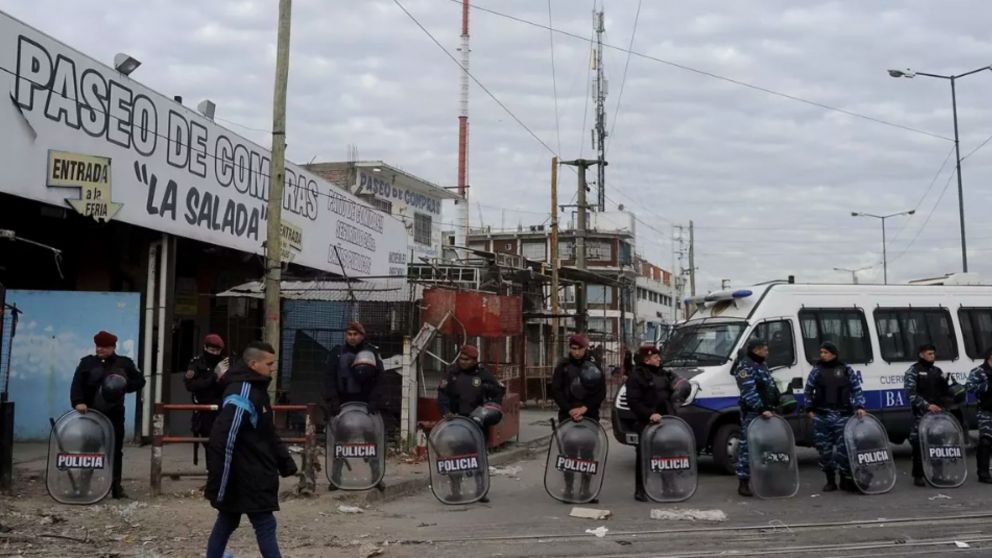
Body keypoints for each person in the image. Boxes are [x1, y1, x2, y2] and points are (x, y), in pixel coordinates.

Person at [204, 341, 298, 558]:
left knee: (227, 521)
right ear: (254, 364)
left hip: (249, 473)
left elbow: (266, 431)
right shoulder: (243, 393)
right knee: (264, 525)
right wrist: (218, 483)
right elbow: (224, 439)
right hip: (248, 476)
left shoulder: (256, 389)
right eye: (269, 364)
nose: (272, 368)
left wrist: (285, 461)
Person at [70, 330, 145, 499]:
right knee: (89, 450)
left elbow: (140, 381)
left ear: (113, 347)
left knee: (115, 450)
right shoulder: (87, 363)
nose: (99, 349)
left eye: (104, 347)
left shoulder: (124, 363)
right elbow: (77, 384)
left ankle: (116, 488)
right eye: (98, 346)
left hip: (114, 414)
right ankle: (83, 487)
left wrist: (124, 384)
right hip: (91, 414)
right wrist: (78, 401)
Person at [437, 345, 506, 502]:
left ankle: (481, 490)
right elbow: (442, 395)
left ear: (474, 360)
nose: (463, 362)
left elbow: (497, 394)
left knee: (478, 456)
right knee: (455, 458)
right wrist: (446, 411)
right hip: (456, 422)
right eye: (461, 358)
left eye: (467, 359)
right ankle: (455, 491)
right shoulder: (452, 374)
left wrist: (487, 411)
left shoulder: (483, 375)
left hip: (477, 424)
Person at [324, 321, 386, 490]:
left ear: (362, 336)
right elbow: (329, 378)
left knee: (372, 441)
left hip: (366, 404)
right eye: (349, 334)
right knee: (340, 442)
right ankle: (335, 478)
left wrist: (374, 401)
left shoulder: (372, 353)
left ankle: (376, 477)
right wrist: (333, 400)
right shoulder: (337, 353)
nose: (352, 337)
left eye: (355, 334)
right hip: (343, 403)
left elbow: (380, 379)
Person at [803, 341, 866, 492]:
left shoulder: (846, 370)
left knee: (844, 450)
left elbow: (857, 389)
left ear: (833, 354)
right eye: (821, 352)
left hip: (842, 416)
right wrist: (809, 410)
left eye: (825, 352)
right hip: (822, 416)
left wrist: (860, 406)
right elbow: (808, 391)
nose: (822, 355)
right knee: (824, 450)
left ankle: (845, 478)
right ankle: (830, 480)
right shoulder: (816, 371)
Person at [551, 334, 606, 502]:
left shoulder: (594, 366)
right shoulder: (563, 367)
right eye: (573, 349)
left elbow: (600, 392)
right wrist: (569, 410)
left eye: (579, 349)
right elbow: (556, 390)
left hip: (589, 415)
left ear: (585, 349)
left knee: (588, 453)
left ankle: (586, 490)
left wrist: (585, 408)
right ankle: (568, 488)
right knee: (569, 453)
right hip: (568, 415)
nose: (576, 352)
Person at [625, 345, 684, 502]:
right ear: (647, 360)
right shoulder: (637, 376)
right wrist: (650, 414)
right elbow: (633, 401)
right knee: (644, 455)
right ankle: (641, 490)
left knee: (668, 454)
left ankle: (669, 486)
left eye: (659, 356)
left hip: (666, 420)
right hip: (646, 421)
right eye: (656, 357)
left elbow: (672, 393)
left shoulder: (663, 373)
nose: (659, 359)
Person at [733, 339, 781, 497]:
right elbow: (749, 392)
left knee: (768, 447)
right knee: (747, 448)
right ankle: (743, 483)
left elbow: (770, 386)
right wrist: (761, 409)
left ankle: (766, 481)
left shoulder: (762, 365)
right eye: (765, 349)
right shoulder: (745, 367)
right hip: (753, 414)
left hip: (768, 412)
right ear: (756, 350)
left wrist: (777, 401)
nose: (767, 352)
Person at [904, 343, 956, 487]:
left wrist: (951, 390)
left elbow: (946, 391)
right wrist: (926, 405)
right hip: (921, 415)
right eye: (929, 354)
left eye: (933, 354)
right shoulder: (913, 371)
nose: (932, 356)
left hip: (937, 415)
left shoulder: (937, 371)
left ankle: (938, 475)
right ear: (921, 355)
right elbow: (910, 394)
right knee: (918, 444)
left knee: (937, 444)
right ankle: (918, 475)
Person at [184, 334, 228, 462]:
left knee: (222, 440)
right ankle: (212, 469)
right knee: (208, 440)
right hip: (204, 408)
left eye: (217, 351)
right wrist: (214, 377)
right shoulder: (196, 363)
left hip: (223, 406)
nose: (214, 353)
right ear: (205, 348)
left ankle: (219, 469)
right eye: (212, 350)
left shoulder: (225, 363)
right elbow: (191, 385)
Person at [965, 347, 992, 484]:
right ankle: (983, 473)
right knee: (986, 441)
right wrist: (987, 385)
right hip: (986, 411)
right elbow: (969, 387)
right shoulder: (979, 371)